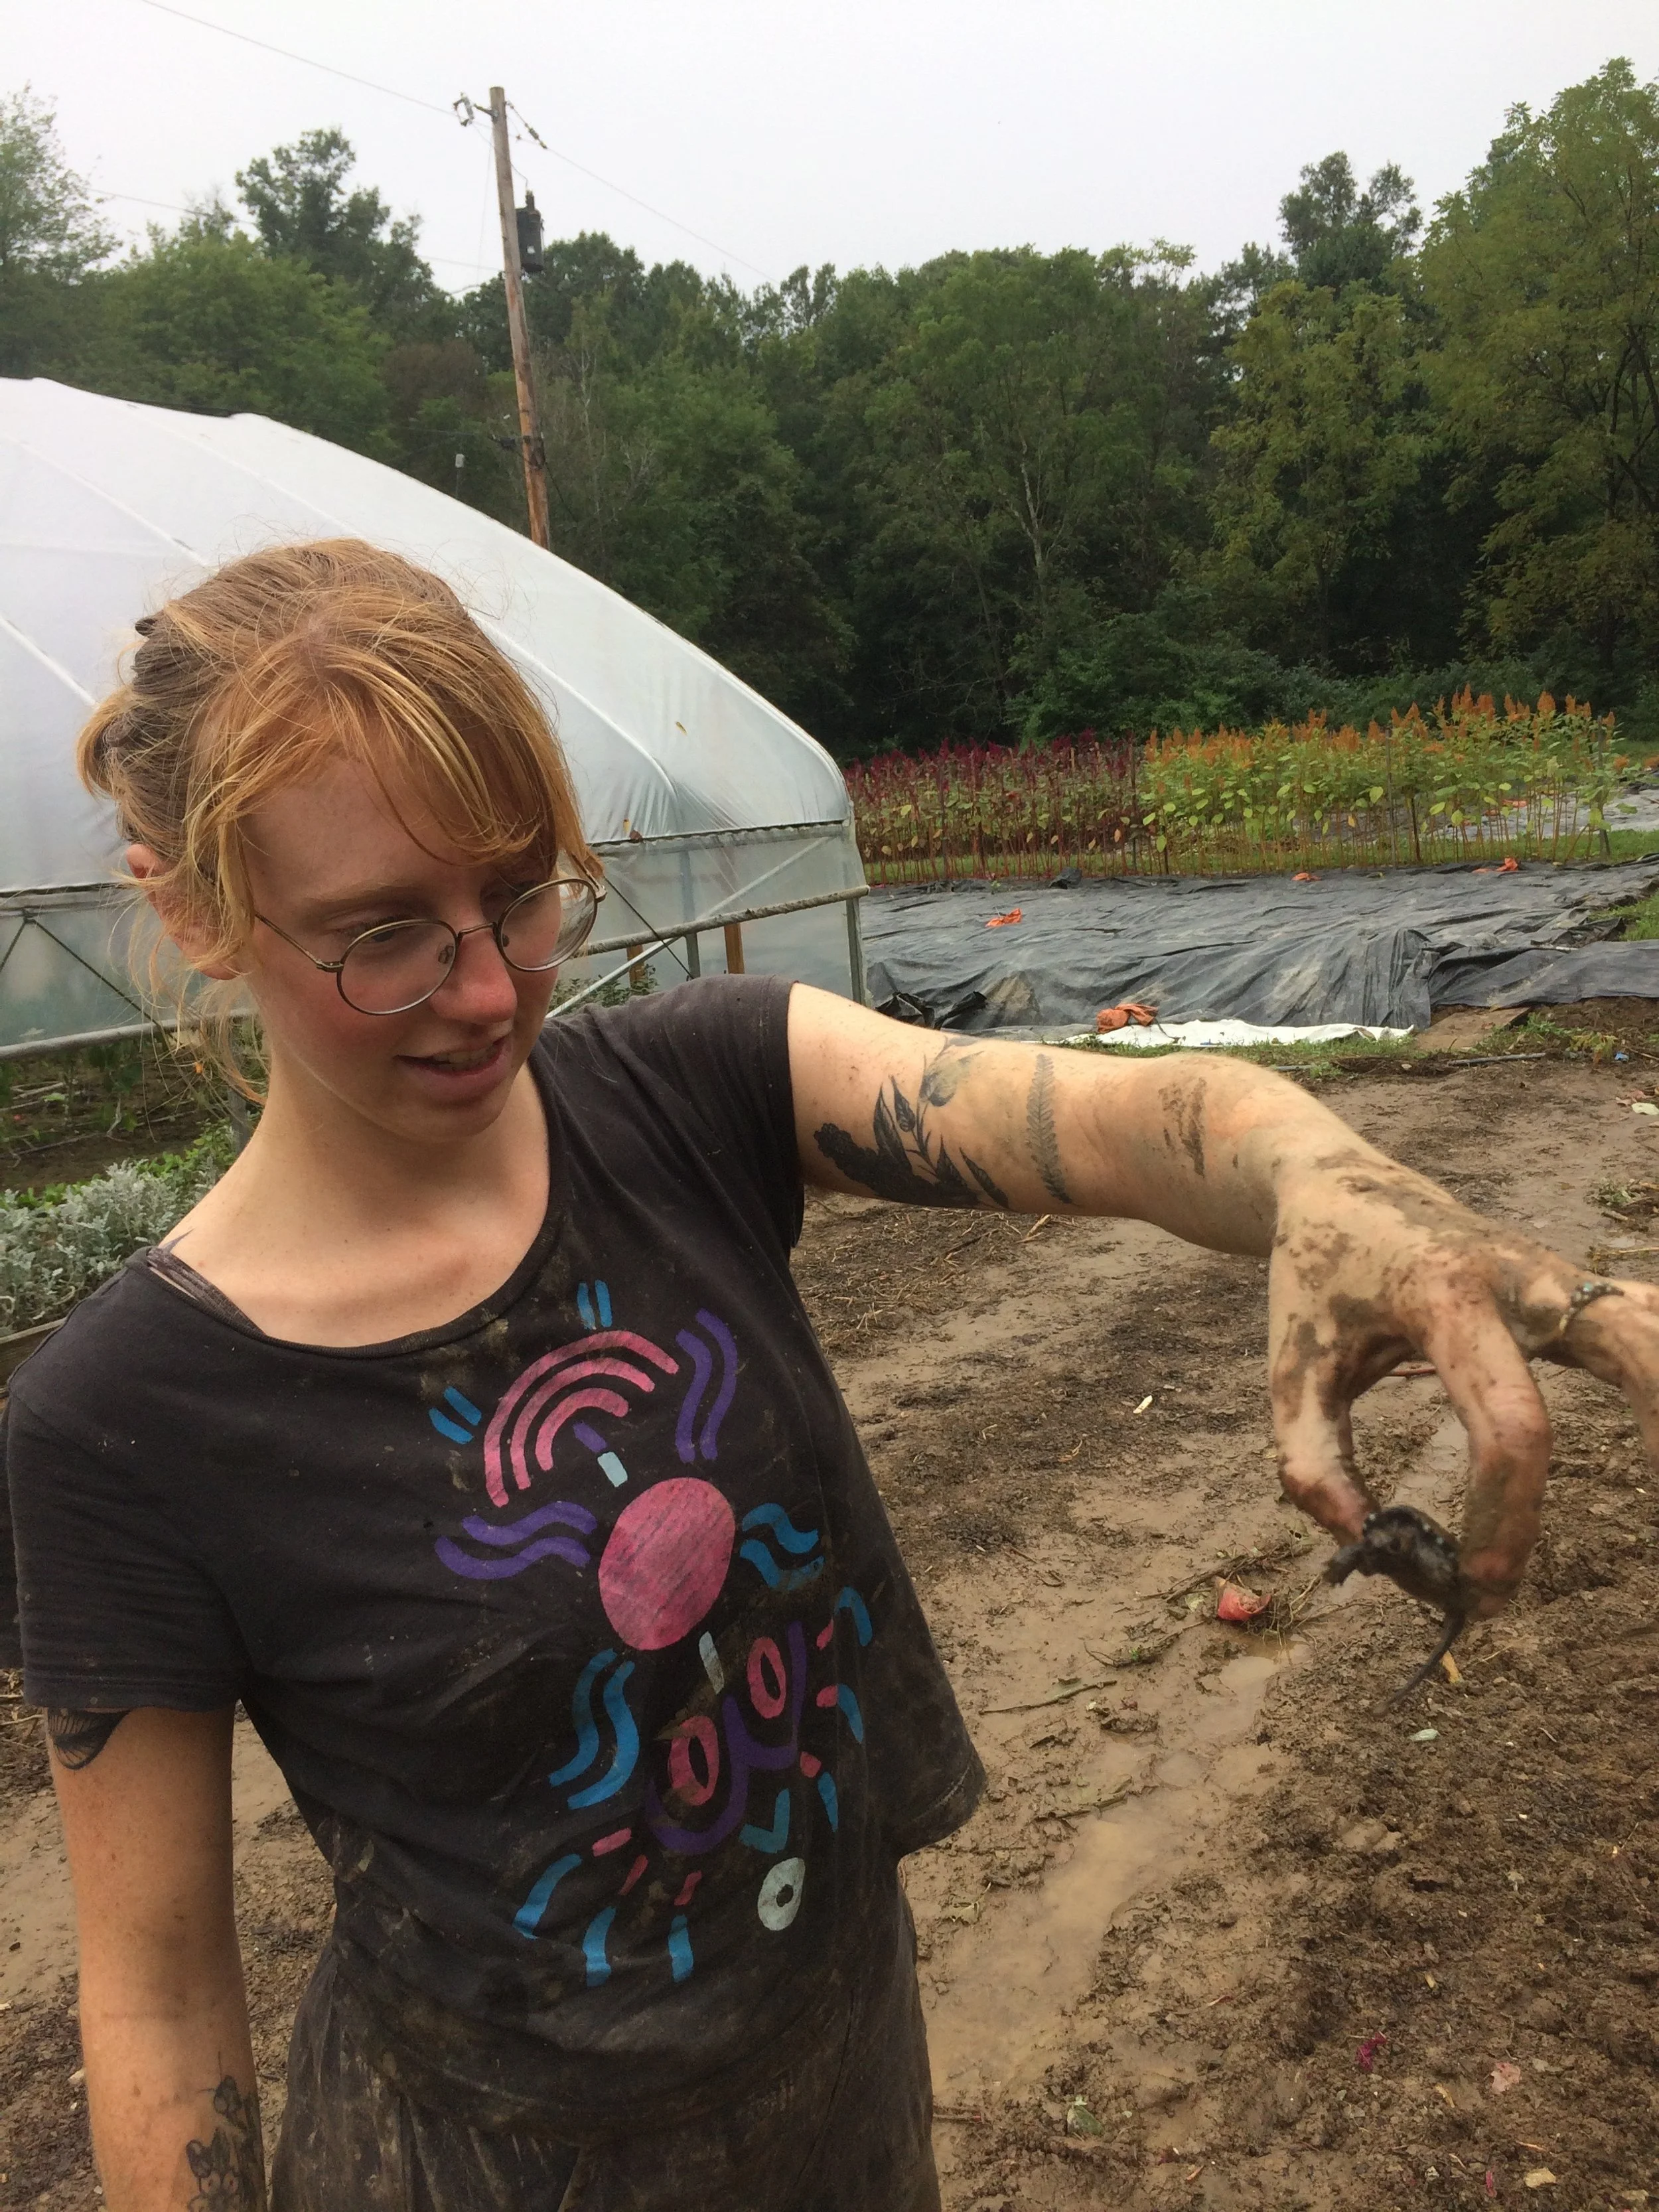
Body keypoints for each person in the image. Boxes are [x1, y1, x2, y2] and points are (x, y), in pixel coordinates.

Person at [5, 540, 1655, 2212]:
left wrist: (1332, 1187)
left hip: (836, 2070)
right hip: (487, 2162)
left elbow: (1121, 1122)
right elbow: (154, 1995)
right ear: (192, 909)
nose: (491, 989)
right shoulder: (128, 1415)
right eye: (384, 939)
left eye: (517, 894)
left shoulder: (686, 1096)